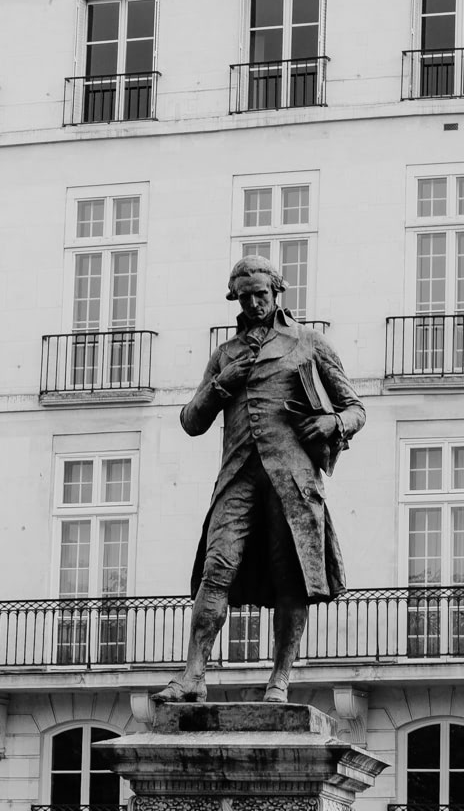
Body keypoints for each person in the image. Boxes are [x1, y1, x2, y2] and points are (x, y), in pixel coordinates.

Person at [152, 255, 365, 703]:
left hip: (291, 481)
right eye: (244, 297)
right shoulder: (225, 354)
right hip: (238, 477)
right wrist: (220, 385)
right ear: (235, 298)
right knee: (217, 568)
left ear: (277, 292)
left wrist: (334, 424)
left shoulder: (308, 343)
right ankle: (192, 675)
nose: (253, 303)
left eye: (260, 295)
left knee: (291, 581)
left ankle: (280, 681)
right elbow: (191, 421)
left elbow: (355, 407)